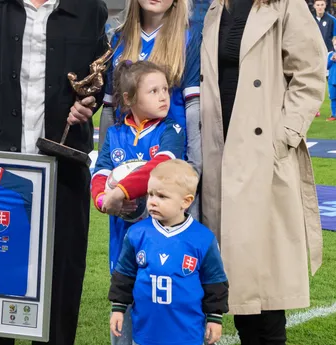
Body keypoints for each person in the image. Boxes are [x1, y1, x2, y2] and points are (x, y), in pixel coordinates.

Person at [0, 0, 108, 344]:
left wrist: (90, 100)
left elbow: (99, 77)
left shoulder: (90, 8)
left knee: (59, 294)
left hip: (63, 173)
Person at [200, 0, 326, 344]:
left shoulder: (285, 5)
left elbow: (311, 74)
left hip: (263, 158)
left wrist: (282, 138)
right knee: (239, 289)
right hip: (220, 157)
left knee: (267, 296)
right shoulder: (214, 9)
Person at [91, 60, 186, 345]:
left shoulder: (172, 130)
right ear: (130, 99)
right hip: (123, 239)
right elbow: (100, 173)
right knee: (123, 306)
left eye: (165, 89)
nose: (163, 96)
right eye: (153, 90)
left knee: (158, 313)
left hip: (161, 243)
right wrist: (103, 200)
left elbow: (158, 167)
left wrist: (121, 191)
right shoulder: (115, 134)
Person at [97, 0, 202, 220]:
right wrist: (107, 172)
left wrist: (195, 166)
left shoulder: (190, 37)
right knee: (126, 247)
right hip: (124, 166)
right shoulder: (118, 39)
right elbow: (109, 109)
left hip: (171, 162)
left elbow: (193, 107)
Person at [108, 159, 229, 345]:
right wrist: (118, 308)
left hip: (187, 333)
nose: (152, 202)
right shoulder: (136, 233)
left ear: (186, 201)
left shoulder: (203, 238)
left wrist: (214, 318)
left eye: (162, 197)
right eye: (150, 195)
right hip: (145, 333)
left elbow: (214, 282)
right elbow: (124, 275)